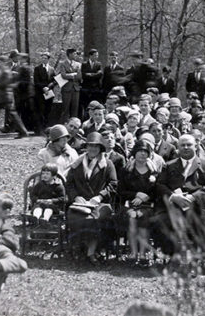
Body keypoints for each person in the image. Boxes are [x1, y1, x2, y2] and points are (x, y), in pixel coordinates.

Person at [153, 134, 205, 255]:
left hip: (198, 207)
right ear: (178, 147)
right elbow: (160, 185)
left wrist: (193, 197)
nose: (186, 147)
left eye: (189, 145)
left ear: (196, 146)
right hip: (174, 206)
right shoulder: (168, 165)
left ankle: (197, 256)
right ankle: (172, 255)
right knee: (161, 221)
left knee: (203, 222)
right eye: (182, 145)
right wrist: (173, 196)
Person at [65, 132, 118, 264]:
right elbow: (69, 183)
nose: (93, 149)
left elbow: (113, 184)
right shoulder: (77, 163)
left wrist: (100, 197)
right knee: (75, 217)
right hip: (80, 202)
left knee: (94, 219)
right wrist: (76, 197)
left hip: (100, 203)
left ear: (100, 148)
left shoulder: (107, 164)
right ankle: (77, 249)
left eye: (96, 146)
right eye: (90, 146)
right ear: (86, 147)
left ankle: (92, 252)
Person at [117, 139, 159, 265]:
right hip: (129, 205)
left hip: (148, 205)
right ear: (134, 153)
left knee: (143, 217)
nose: (142, 154)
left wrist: (144, 197)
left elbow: (157, 191)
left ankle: (143, 253)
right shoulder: (126, 170)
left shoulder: (154, 171)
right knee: (132, 218)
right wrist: (136, 194)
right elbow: (121, 191)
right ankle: (133, 252)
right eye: (140, 151)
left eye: (145, 152)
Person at [0, 58, 29, 139]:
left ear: (4, 62)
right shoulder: (3, 71)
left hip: (6, 96)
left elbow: (4, 84)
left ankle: (23, 132)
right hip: (2, 96)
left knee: (12, 115)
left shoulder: (6, 72)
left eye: (0, 62)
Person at [58, 48, 83, 122]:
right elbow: (63, 75)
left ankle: (74, 125)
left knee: (75, 109)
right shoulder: (62, 63)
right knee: (65, 108)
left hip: (76, 89)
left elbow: (79, 76)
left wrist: (69, 75)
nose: (75, 55)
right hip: (66, 89)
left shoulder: (78, 64)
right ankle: (64, 125)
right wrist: (73, 74)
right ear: (69, 54)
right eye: (74, 54)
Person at [33, 51, 56, 129]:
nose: (43, 60)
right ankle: (40, 127)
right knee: (41, 109)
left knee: (48, 109)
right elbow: (36, 81)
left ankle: (46, 125)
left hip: (49, 92)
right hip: (40, 92)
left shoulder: (52, 69)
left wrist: (49, 87)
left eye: (45, 58)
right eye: (42, 58)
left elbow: (55, 80)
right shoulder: (37, 68)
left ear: (48, 59)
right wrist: (43, 88)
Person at [80, 49, 104, 117]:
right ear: (90, 56)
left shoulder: (98, 64)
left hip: (95, 89)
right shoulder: (84, 64)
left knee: (95, 106)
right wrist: (94, 74)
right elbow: (84, 75)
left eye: (97, 55)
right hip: (86, 89)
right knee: (86, 106)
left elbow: (100, 74)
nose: (96, 57)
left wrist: (90, 75)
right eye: (95, 55)